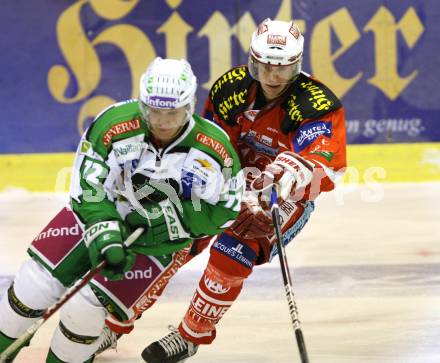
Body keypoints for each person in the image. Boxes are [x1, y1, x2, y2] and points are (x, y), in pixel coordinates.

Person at [0, 57, 243, 363]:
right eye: (155, 111)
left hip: (157, 245)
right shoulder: (113, 124)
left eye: (173, 112)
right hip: (93, 217)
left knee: (85, 310)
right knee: (32, 287)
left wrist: (169, 220)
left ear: (189, 106)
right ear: (144, 104)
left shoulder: (214, 149)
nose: (163, 122)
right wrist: (106, 230)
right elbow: (87, 187)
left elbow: (228, 209)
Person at [140, 18, 347, 363]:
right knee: (173, 235)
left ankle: (190, 334)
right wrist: (211, 182)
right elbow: (207, 142)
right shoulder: (231, 88)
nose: (273, 77)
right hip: (228, 178)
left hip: (282, 195)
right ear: (253, 60)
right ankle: (116, 321)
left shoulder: (317, 103)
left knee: (234, 249)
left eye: (283, 68)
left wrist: (292, 172)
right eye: (265, 66)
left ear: (297, 65)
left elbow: (325, 163)